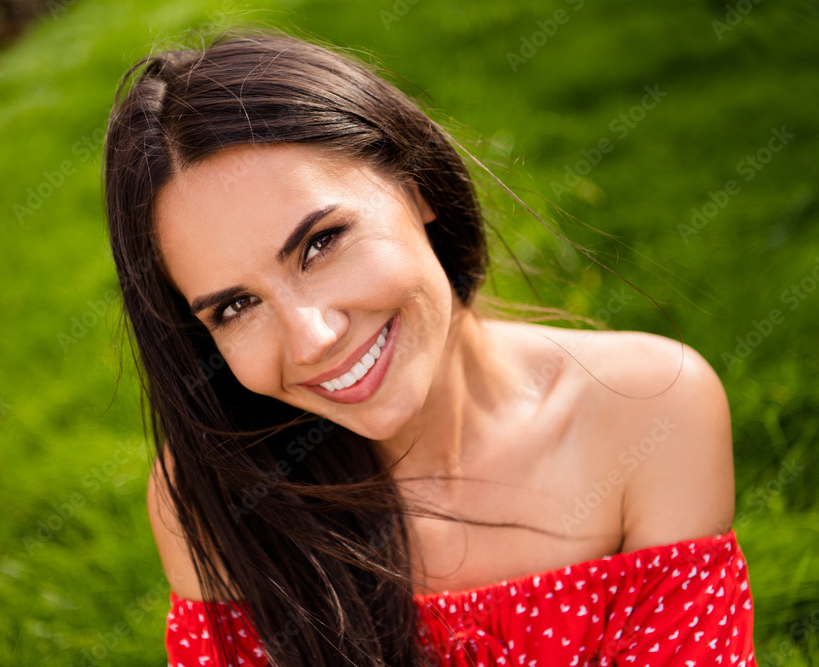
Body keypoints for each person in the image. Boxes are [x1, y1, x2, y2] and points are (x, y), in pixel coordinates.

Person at [102, 27, 757, 667]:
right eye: (237, 306)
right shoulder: (214, 490)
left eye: (319, 244)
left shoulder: (650, 410)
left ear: (415, 184)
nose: (313, 339)